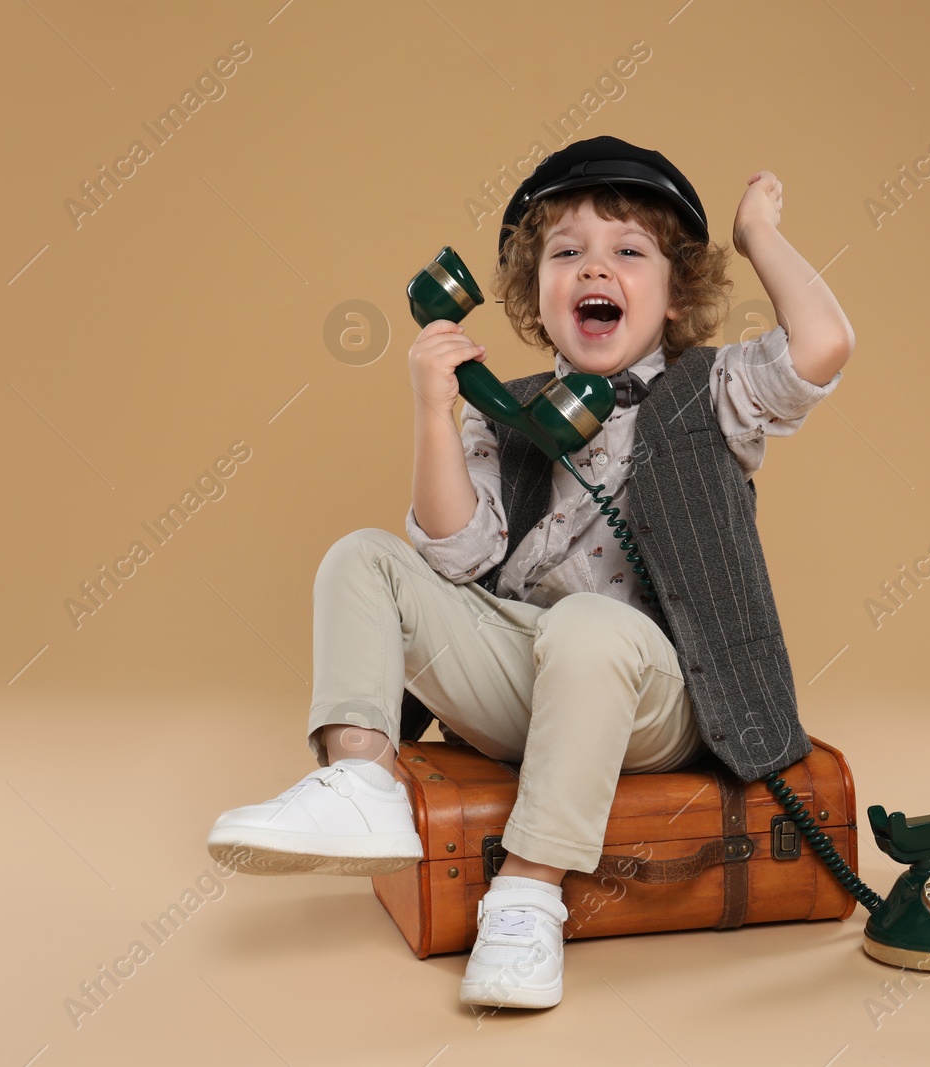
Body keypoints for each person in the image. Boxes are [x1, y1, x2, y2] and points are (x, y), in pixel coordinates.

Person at [206, 135, 855, 1010]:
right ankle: (358, 780)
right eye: (567, 253)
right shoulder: (508, 414)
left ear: (672, 297)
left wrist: (759, 235)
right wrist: (437, 410)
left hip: (664, 693)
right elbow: (455, 555)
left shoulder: (715, 390)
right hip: (533, 675)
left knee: (591, 627)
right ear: (534, 295)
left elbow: (822, 345)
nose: (597, 266)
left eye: (629, 251)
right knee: (363, 558)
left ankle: (526, 895)